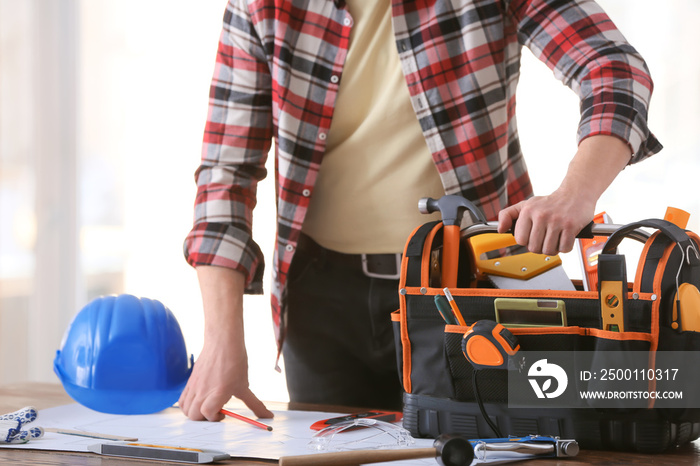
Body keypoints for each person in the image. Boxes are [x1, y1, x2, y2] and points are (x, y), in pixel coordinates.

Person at [178, 0, 661, 421]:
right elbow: (226, 170)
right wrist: (222, 339)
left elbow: (613, 68)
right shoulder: (263, 4)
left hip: (470, 287)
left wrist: (575, 194)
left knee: (489, 447)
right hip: (319, 299)